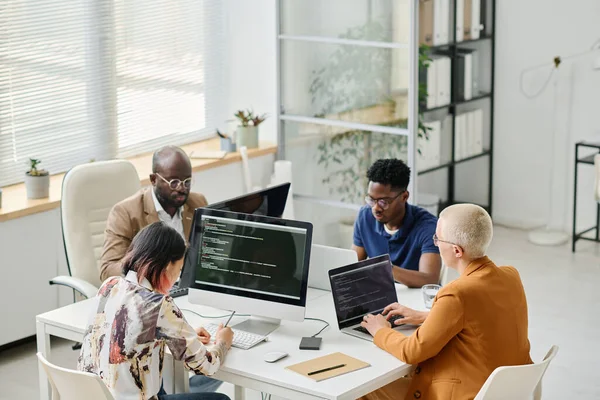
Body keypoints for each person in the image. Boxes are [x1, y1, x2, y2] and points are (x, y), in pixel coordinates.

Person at [360, 204, 533, 400]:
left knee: (361, 388)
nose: (435, 244)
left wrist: (380, 330)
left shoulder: (456, 294)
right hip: (505, 392)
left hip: (464, 394)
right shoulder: (511, 275)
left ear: (457, 250)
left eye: (437, 239)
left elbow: (412, 351)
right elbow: (482, 317)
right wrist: (429, 317)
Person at [79, 222, 234, 400]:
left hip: (96, 395)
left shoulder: (109, 285)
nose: (178, 275)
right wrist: (223, 342)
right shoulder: (158, 304)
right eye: (180, 268)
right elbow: (207, 366)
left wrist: (180, 335)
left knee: (159, 385)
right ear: (168, 266)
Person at [100, 145, 208, 281]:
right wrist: (145, 265)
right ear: (153, 180)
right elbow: (107, 270)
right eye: (173, 182)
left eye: (187, 181)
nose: (182, 188)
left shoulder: (197, 203)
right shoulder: (125, 213)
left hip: (186, 287)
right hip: (148, 292)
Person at [352, 159, 441, 287]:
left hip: (412, 299)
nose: (375, 208)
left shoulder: (428, 227)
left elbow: (430, 279)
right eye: (371, 200)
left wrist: (385, 268)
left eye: (383, 202)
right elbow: (354, 264)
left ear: (404, 197)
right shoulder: (365, 216)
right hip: (377, 292)